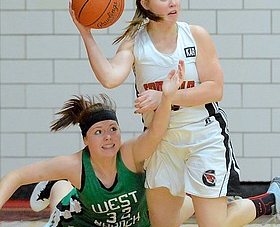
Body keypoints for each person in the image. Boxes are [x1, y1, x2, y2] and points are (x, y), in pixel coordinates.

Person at [68, 0, 280, 226]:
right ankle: (208, 200)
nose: (173, 2)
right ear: (145, 4)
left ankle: (271, 200)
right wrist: (86, 34)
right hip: (161, 140)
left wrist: (164, 97)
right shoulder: (135, 42)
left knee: (213, 225)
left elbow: (215, 89)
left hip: (202, 136)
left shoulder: (195, 35)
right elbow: (109, 78)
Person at [0, 63, 187, 226]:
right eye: (98, 132)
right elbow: (15, 176)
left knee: (191, 202)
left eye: (113, 128)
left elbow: (156, 133)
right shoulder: (75, 165)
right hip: (81, 222)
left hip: (134, 222)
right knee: (61, 206)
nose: (108, 136)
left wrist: (167, 97)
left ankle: (58, 184)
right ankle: (57, 185)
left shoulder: (130, 154)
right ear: (86, 140)